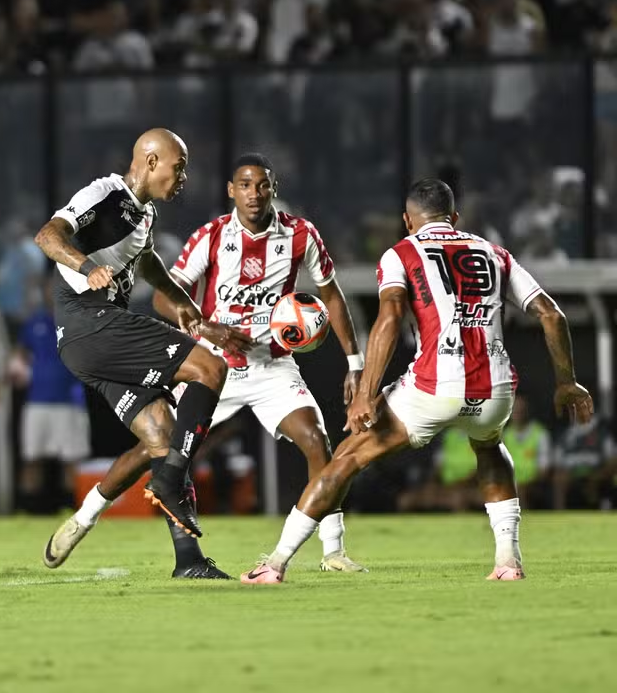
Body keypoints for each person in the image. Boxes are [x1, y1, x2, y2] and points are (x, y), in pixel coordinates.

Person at [241, 178, 594, 583]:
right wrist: (566, 382)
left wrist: (366, 394)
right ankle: (508, 562)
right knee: (490, 447)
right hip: (495, 390)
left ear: (408, 220)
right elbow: (551, 314)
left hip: (433, 387)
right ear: (454, 217)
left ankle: (275, 563)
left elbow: (390, 318)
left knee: (348, 457)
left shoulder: (402, 253)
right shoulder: (495, 253)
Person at [44, 153, 368, 573]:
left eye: (263, 185)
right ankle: (85, 516)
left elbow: (331, 295)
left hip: (272, 365)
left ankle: (333, 551)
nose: (254, 194)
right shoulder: (211, 237)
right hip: (213, 362)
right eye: (245, 185)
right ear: (232, 191)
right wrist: (206, 327)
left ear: (274, 188)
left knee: (317, 440)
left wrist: (354, 361)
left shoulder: (300, 235)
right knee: (152, 445)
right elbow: (166, 296)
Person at [35, 128, 233, 575]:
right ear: (150, 161)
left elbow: (146, 262)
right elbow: (47, 236)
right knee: (209, 368)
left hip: (89, 344)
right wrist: (87, 267)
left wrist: (180, 301)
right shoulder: (105, 193)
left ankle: (178, 556)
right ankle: (171, 478)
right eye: (178, 167)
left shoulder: (143, 214)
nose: (183, 177)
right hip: (91, 323)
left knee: (160, 436)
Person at [13, 275, 90, 512]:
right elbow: (19, 355)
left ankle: (74, 512)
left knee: (71, 461)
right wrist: (15, 367)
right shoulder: (34, 323)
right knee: (31, 458)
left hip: (70, 402)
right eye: (50, 288)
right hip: (37, 402)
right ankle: (27, 511)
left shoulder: (79, 322)